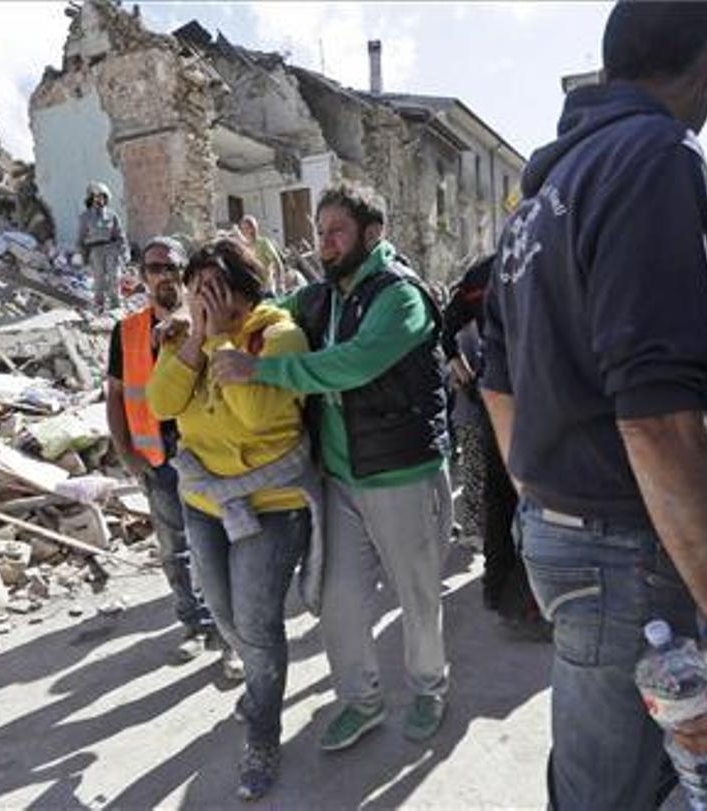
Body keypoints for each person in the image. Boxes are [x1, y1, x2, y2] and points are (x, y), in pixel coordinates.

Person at [480, 2, 707, 807]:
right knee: (607, 788)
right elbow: (659, 418)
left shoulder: (543, 197)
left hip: (565, 530)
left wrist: (544, 503)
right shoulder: (656, 155)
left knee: (605, 767)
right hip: (618, 545)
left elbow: (496, 380)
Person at [213, 183, 453, 751]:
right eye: (320, 232)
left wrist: (259, 371)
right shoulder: (322, 297)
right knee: (338, 601)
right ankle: (361, 700)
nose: (325, 243)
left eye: (337, 232)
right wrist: (205, 315)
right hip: (341, 480)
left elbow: (354, 364)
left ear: (373, 233)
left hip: (401, 475)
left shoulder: (401, 296)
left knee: (417, 596)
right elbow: (271, 313)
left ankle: (430, 687)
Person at [147, 237, 320, 801]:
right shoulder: (187, 337)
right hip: (205, 503)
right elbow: (162, 404)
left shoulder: (278, 335)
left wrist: (222, 337)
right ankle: (259, 689)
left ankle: (263, 734)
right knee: (225, 617)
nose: (200, 300)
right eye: (195, 290)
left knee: (258, 626)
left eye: (213, 289)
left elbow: (255, 420)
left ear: (243, 291)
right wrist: (195, 342)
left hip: (270, 503)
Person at [105, 235, 219, 666]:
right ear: (142, 277)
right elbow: (116, 395)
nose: (165, 275)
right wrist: (127, 454)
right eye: (155, 268)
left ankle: (229, 633)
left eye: (173, 267)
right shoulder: (127, 332)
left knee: (219, 542)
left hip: (206, 449)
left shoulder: (208, 319)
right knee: (175, 548)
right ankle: (195, 623)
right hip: (157, 456)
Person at [440, 254, 543, 634]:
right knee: (532, 501)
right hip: (534, 397)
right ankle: (526, 602)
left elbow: (445, 327)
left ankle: (499, 590)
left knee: (501, 499)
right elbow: (445, 326)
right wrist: (460, 368)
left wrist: (461, 368)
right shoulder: (546, 253)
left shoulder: (482, 272)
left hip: (497, 394)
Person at [78, 182, 126, 312]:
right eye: (96, 197)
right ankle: (99, 306)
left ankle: (115, 307)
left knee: (114, 277)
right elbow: (81, 238)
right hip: (95, 251)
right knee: (99, 280)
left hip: (111, 249)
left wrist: (124, 252)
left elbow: (120, 234)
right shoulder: (85, 217)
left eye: (102, 197)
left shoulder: (112, 215)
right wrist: (83, 257)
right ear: (91, 198)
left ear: (106, 198)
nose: (99, 200)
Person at [238, 215, 285, 294]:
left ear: (253, 229)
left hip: (266, 286)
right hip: (251, 287)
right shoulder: (242, 246)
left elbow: (277, 262)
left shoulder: (263, 243)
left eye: (247, 228)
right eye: (242, 229)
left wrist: (280, 283)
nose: (244, 231)